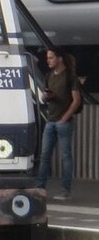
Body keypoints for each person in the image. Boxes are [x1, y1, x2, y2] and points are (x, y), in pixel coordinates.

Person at [37, 47, 84, 200]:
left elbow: (76, 101)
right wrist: (46, 97)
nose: (48, 60)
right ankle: (40, 188)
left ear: (60, 59)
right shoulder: (49, 75)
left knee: (65, 156)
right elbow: (44, 97)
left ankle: (65, 190)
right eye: (48, 58)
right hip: (51, 120)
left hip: (63, 121)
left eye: (51, 57)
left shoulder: (70, 77)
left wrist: (65, 117)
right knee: (45, 155)